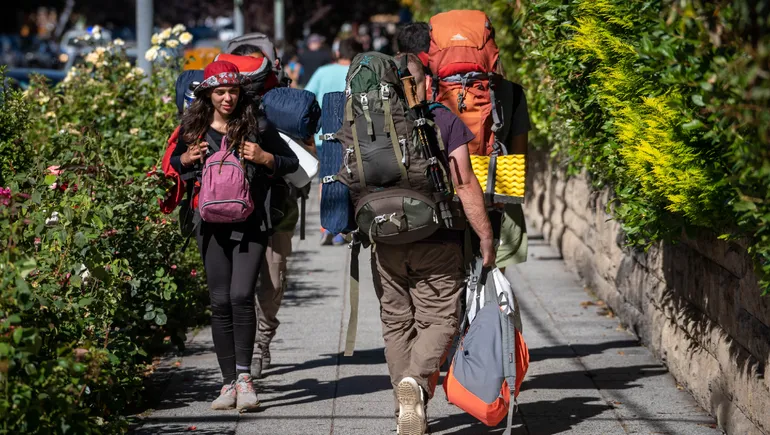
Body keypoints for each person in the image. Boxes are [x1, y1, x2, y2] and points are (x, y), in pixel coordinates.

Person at [375, 53, 495, 435]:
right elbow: (463, 182)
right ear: (424, 84)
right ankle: (415, 382)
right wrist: (486, 234)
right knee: (441, 318)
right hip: (437, 237)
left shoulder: (370, 124)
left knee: (396, 324)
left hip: (385, 238)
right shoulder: (441, 120)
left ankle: (406, 410)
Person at [170, 60, 299, 411]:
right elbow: (169, 169)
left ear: (241, 92)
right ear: (208, 93)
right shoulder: (192, 128)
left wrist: (264, 156)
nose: (227, 98)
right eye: (220, 91)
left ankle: (245, 379)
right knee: (219, 301)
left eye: (233, 91)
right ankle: (227, 383)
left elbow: (291, 164)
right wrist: (186, 158)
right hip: (209, 225)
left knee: (242, 296)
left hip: (251, 223)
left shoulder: (256, 125)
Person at [399, 21, 530, 271]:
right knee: (495, 279)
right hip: (497, 191)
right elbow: (520, 152)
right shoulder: (512, 93)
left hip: (447, 200)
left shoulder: (428, 90)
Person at [304, 37, 364, 246]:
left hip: (325, 136)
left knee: (327, 179)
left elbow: (307, 97)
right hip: (353, 135)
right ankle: (344, 228)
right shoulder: (360, 72)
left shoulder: (323, 72)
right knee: (351, 178)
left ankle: (327, 225)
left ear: (338, 53)